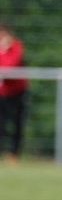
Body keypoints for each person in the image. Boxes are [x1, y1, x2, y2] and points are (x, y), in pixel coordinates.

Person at [0, 23, 29, 165]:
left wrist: (3, 51)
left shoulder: (17, 47)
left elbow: (11, 66)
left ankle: (14, 155)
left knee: (17, 124)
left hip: (18, 93)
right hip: (1, 93)